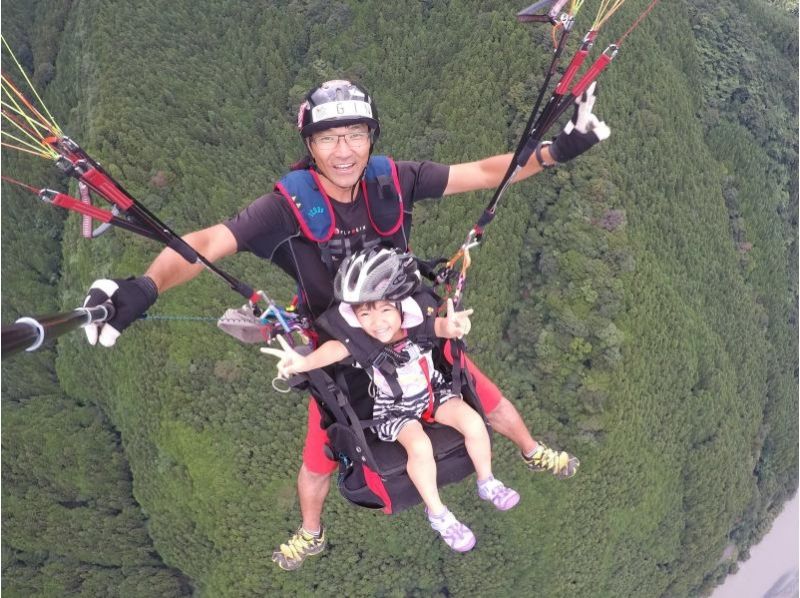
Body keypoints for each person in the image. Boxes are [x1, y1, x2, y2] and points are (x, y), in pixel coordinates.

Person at [82, 79, 608, 570]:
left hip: (409, 331)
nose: (344, 151)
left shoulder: (393, 180)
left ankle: (531, 450)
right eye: (329, 138)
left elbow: (483, 174)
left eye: (355, 135)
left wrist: (553, 153)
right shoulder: (282, 210)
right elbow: (204, 245)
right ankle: (312, 531)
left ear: (370, 137)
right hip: (335, 349)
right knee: (320, 457)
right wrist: (144, 289)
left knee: (484, 400)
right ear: (310, 145)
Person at [263, 247, 520, 552]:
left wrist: (453, 327)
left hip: (431, 393)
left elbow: (439, 328)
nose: (377, 321)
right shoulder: (362, 343)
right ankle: (439, 514)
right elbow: (336, 351)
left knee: (474, 422)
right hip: (395, 412)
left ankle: (487, 480)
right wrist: (302, 363)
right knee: (420, 446)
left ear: (400, 308)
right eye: (365, 313)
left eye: (385, 309)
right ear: (356, 319)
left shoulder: (414, 325)